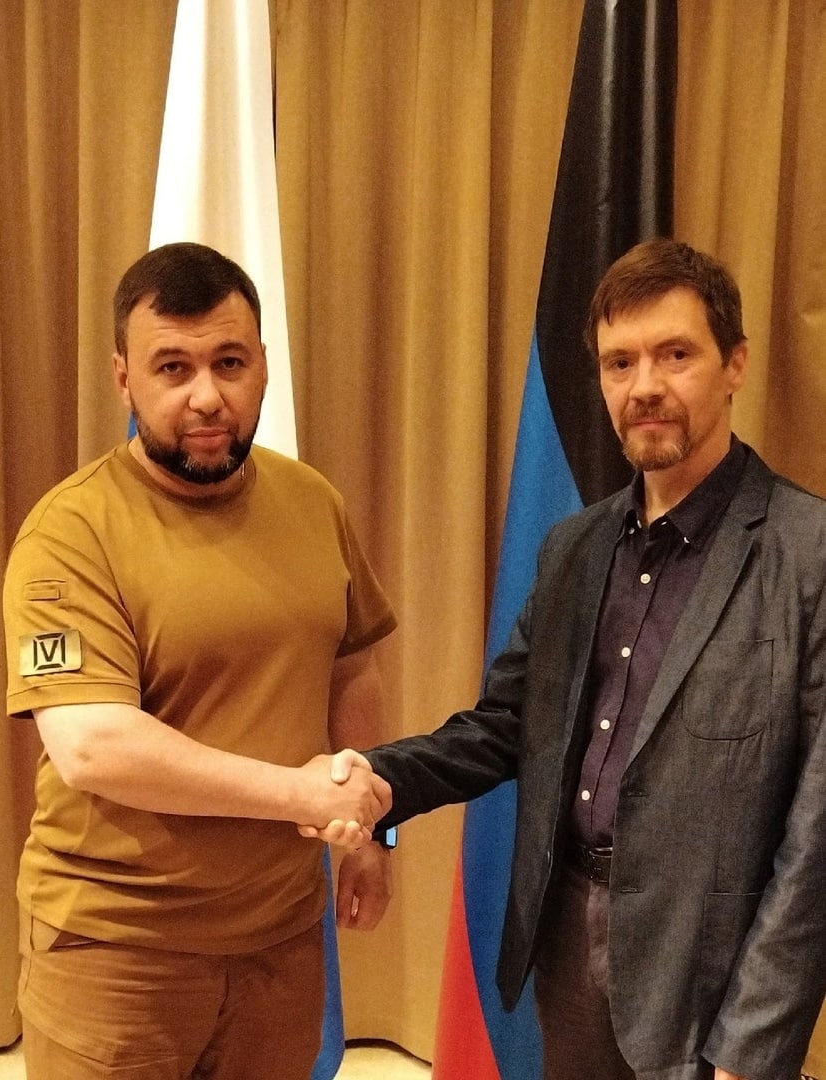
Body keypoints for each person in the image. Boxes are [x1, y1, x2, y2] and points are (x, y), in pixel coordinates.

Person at [316, 239, 826, 1080]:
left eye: (674, 354)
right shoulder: (573, 549)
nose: (644, 386)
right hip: (568, 949)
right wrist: (379, 778)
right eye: (619, 362)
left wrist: (750, 1042)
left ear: (734, 364)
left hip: (713, 980)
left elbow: (816, 835)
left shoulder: (808, 553)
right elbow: (502, 726)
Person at [3, 241, 396, 1080]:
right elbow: (95, 746)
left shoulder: (311, 501)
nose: (207, 396)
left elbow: (350, 670)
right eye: (172, 368)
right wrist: (299, 794)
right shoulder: (69, 534)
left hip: (280, 942)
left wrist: (370, 834)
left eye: (229, 362)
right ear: (124, 380)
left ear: (263, 366)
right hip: (116, 952)